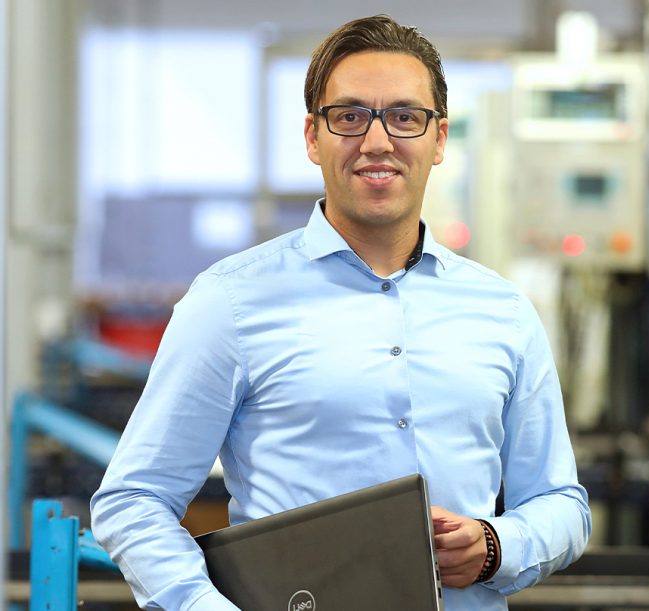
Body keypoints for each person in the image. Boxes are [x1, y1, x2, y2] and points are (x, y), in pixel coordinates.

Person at [90, 14, 591, 611]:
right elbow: (134, 499)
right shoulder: (229, 303)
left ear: (438, 140)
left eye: (405, 117)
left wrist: (495, 544)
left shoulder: (503, 311)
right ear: (312, 136)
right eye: (350, 116)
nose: (378, 141)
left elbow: (562, 502)